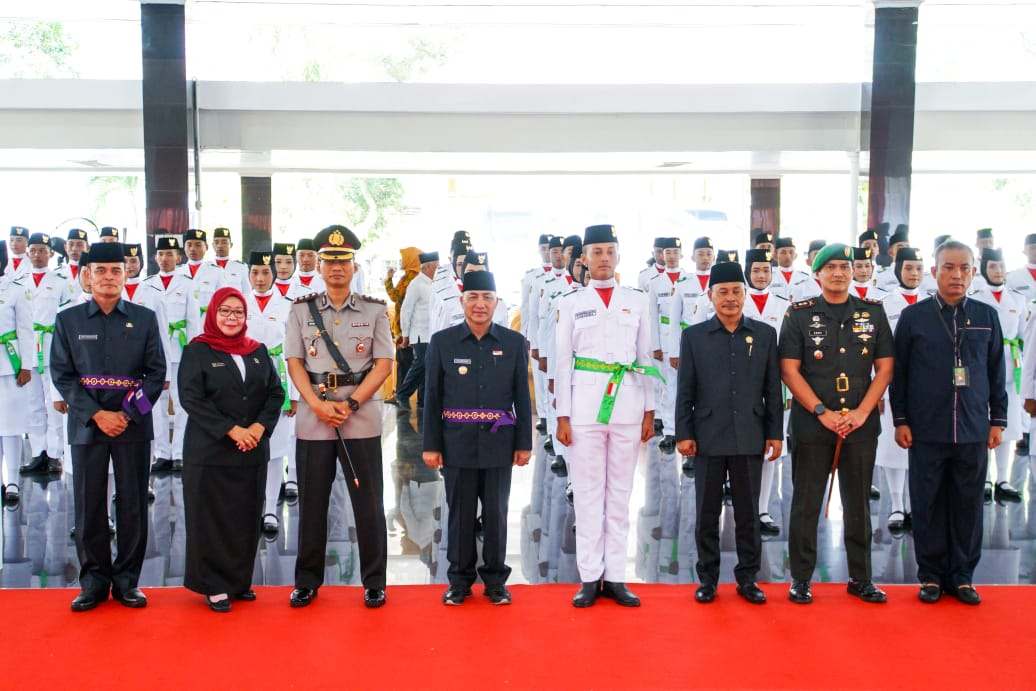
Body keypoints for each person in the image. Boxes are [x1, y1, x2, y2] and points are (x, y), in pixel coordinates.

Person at [50, 241, 166, 611]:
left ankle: (128, 581)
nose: (109, 277)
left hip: (132, 426)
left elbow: (156, 374)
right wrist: (98, 414)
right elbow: (63, 375)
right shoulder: (68, 320)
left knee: (132, 503)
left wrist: (127, 415)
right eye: (100, 271)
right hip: (87, 424)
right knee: (88, 504)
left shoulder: (144, 318)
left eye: (116, 270)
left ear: (127, 273)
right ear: (87, 276)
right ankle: (94, 581)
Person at [891, 239, 1006, 605]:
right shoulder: (914, 317)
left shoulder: (987, 316)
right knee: (926, 503)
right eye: (949, 268)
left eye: (964, 268)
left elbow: (996, 372)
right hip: (926, 428)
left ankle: (963, 576)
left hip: (973, 427)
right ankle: (930, 576)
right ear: (934, 272)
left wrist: (997, 421)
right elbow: (901, 373)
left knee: (968, 505)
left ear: (973, 272)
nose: (957, 275)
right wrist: (901, 419)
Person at [779, 242, 894, 605]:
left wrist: (861, 412)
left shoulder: (873, 313)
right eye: (831, 268)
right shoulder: (799, 314)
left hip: (860, 426)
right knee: (806, 502)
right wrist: (821, 412)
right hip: (813, 425)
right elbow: (789, 370)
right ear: (818, 273)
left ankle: (861, 578)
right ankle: (800, 578)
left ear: (858, 271)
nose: (840, 273)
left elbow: (886, 367)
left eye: (846, 266)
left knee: (858, 503)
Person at [285, 224, 393, 609]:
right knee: (312, 502)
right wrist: (316, 405)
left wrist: (350, 405)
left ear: (354, 265)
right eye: (329, 261)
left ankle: (375, 581)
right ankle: (307, 581)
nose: (336, 267)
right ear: (319, 266)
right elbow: (294, 362)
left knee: (368, 502)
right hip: (315, 416)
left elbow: (383, 364)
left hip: (359, 415)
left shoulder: (375, 309)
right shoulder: (300, 310)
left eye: (342, 260)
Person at [555, 224, 661, 608]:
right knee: (586, 494)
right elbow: (562, 362)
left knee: (620, 494)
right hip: (584, 408)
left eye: (609, 252)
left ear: (618, 257)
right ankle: (589, 576)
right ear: (583, 258)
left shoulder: (637, 299)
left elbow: (646, 356)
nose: (603, 258)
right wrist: (561, 417)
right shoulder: (569, 302)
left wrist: (650, 410)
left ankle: (615, 576)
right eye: (596, 252)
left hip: (629, 404)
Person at [422, 270, 532, 605]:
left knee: (497, 513)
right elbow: (433, 398)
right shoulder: (443, 342)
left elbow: (521, 398)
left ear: (497, 302)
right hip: (457, 443)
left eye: (486, 297)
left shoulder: (512, 343)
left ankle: (496, 580)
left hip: (500, 443)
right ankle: (459, 580)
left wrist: (524, 442)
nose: (480, 304)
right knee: (460, 513)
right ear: (462, 302)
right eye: (473, 297)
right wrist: (431, 445)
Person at [675, 261, 782, 604]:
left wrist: (775, 433)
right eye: (723, 292)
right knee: (707, 512)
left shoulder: (764, 335)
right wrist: (683, 433)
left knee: (749, 512)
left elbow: (772, 389)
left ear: (745, 294)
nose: (731, 298)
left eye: (737, 291)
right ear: (710, 296)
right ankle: (707, 579)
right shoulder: (694, 336)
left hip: (750, 434)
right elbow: (685, 391)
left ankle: (748, 578)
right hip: (708, 435)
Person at [178, 287, 285, 612]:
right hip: (210, 452)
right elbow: (191, 397)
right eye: (225, 311)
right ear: (213, 313)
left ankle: (239, 580)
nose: (231, 317)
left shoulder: (257, 350)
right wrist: (231, 429)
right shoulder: (197, 350)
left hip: (250, 449)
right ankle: (213, 585)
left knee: (245, 516)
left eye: (238, 312)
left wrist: (258, 428)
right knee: (210, 518)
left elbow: (274, 393)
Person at [244, 250, 299, 531]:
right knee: (248, 445)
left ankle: (269, 510)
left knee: (276, 447)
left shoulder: (288, 306)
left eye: (266, 272)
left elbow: (295, 353)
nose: (261, 278)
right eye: (255, 272)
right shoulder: (240, 304)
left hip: (279, 381)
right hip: (246, 381)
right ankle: (250, 506)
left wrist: (295, 395)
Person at [875, 247, 924, 532]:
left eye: (918, 268)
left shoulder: (933, 301)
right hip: (893, 382)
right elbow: (876, 349)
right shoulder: (884, 304)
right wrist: (878, 390)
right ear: (897, 270)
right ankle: (895, 504)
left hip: (926, 385)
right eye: (908, 268)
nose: (914, 273)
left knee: (921, 446)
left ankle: (914, 504)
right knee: (894, 447)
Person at [142, 234, 201, 472]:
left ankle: (179, 453)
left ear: (179, 257)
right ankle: (161, 453)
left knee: (181, 403)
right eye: (161, 254)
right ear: (155, 257)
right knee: (156, 404)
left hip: (179, 351)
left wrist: (193, 353)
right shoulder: (147, 285)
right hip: (154, 355)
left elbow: (193, 323)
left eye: (170, 254)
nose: (165, 258)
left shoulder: (187, 283)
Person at [970, 248, 1025, 502]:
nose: (998, 271)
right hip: (983, 365)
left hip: (1010, 366)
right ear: (984, 269)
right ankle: (983, 479)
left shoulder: (1018, 299)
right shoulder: (975, 298)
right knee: (983, 421)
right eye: (993, 266)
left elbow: (1024, 337)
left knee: (1007, 422)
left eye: (1002, 266)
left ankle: (1003, 478)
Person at [741, 248, 789, 534]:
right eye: (756, 271)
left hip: (772, 387)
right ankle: (744, 508)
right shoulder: (737, 300)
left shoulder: (783, 305)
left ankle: (762, 509)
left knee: (771, 449)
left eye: (766, 271)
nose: (761, 276)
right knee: (742, 449)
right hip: (740, 388)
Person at [20, 232, 75, 476]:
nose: (38, 254)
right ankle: (36, 452)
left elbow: (68, 317)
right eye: (33, 250)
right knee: (32, 405)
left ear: (52, 254)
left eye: (43, 250)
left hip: (52, 347)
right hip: (27, 350)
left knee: (54, 402)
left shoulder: (61, 281)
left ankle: (54, 454)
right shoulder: (19, 281)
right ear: (27, 253)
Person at [0, 244, 33, 505]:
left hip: (8, 365)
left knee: (11, 426)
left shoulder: (14, 290)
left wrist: (26, 365)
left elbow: (26, 329)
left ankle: (12, 480)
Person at [390, 251, 439, 410]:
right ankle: (402, 395)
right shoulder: (416, 284)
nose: (438, 268)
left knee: (429, 366)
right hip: (419, 333)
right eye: (437, 265)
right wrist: (405, 335)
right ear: (429, 266)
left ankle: (422, 401)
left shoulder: (434, 283)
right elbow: (406, 310)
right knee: (421, 364)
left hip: (432, 333)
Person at [384, 246, 422, 408]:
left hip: (406, 328)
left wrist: (388, 279)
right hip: (415, 329)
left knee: (403, 362)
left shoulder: (409, 277)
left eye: (403, 258)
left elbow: (395, 296)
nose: (401, 261)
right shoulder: (421, 276)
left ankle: (400, 395)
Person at [180, 228, 226, 317]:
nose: (192, 249)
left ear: (207, 247)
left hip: (207, 323)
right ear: (184, 247)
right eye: (189, 245)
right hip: (183, 326)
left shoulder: (216, 272)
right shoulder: (177, 272)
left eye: (198, 245)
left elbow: (223, 300)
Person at [210, 227, 250, 295]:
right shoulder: (206, 268)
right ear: (212, 245)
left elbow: (247, 292)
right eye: (216, 242)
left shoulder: (241, 267)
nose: (220, 246)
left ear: (231, 245)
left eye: (224, 242)